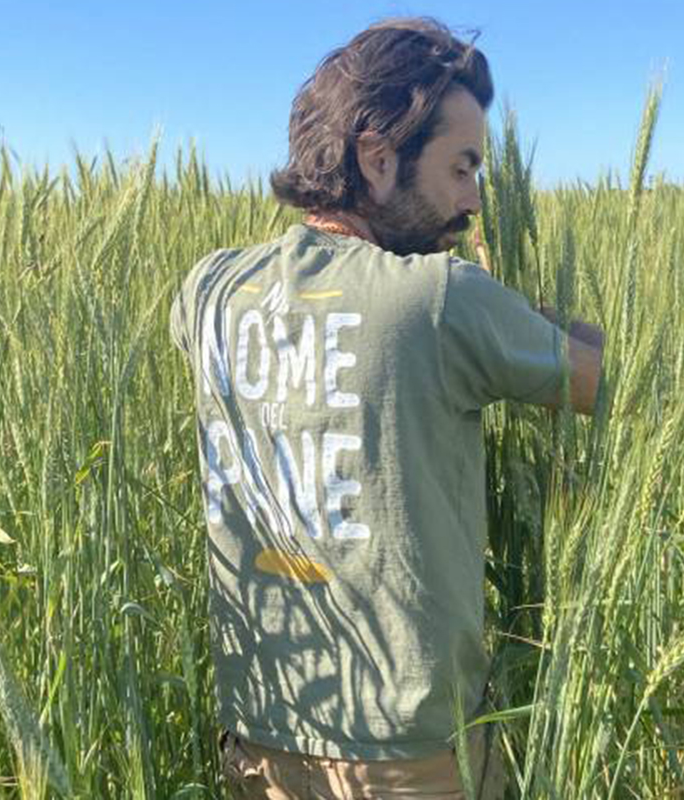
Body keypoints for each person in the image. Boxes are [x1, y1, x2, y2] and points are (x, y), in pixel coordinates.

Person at [168, 17, 604, 799]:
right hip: (408, 760)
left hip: (256, 741)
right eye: (463, 167)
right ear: (378, 158)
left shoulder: (207, 290)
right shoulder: (442, 301)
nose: (474, 199)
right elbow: (601, 382)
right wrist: (537, 313)